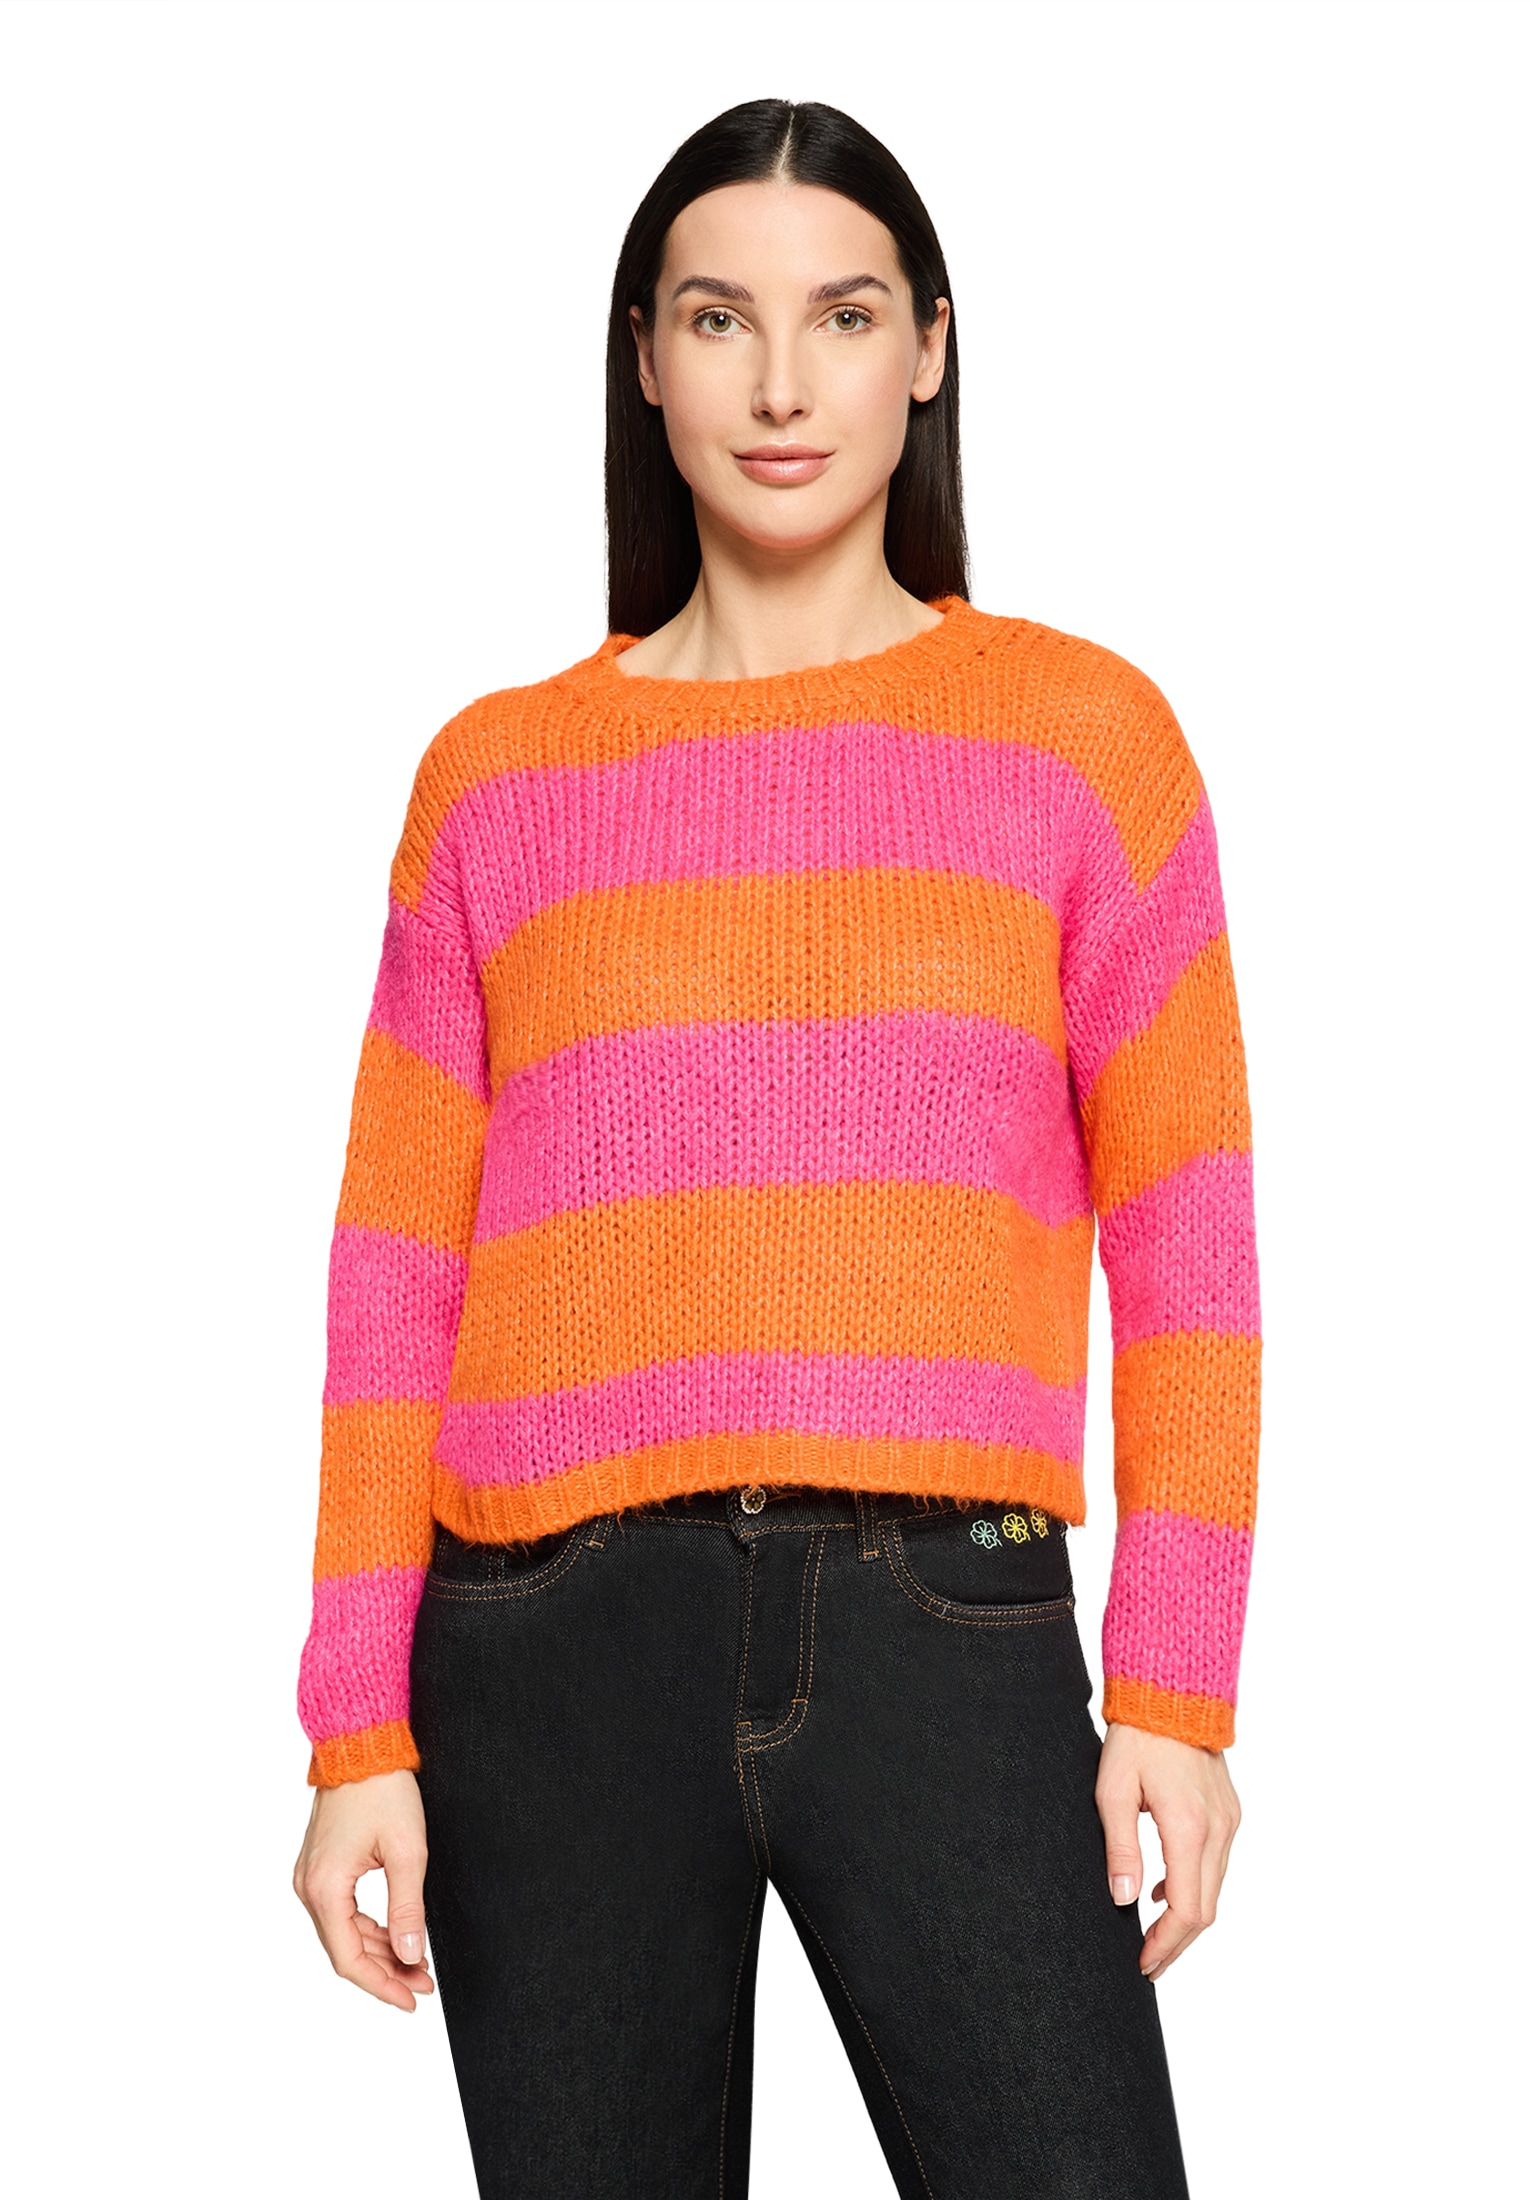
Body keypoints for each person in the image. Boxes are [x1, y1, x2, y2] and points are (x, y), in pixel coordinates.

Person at [292, 97, 1258, 2200]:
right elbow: (397, 1277)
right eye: (720, 319)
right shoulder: (495, 783)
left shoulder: (1080, 743)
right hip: (547, 1645)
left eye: (844, 315)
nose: (783, 384)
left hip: (946, 1619)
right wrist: (355, 1725)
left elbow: (1189, 1244)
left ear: (929, 347)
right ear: (645, 359)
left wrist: (1177, 1686)